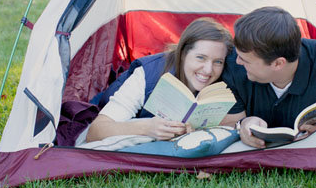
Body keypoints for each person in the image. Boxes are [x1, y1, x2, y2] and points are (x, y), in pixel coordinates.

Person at [86, 18, 233, 142]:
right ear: (182, 53)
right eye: (201, 57)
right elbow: (95, 132)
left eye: (218, 62)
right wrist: (146, 128)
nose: (208, 70)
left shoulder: (226, 80)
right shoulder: (147, 74)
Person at [221, 6, 316, 149]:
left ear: (278, 63)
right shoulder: (233, 66)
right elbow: (227, 126)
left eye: (245, 59)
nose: (238, 61)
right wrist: (242, 125)